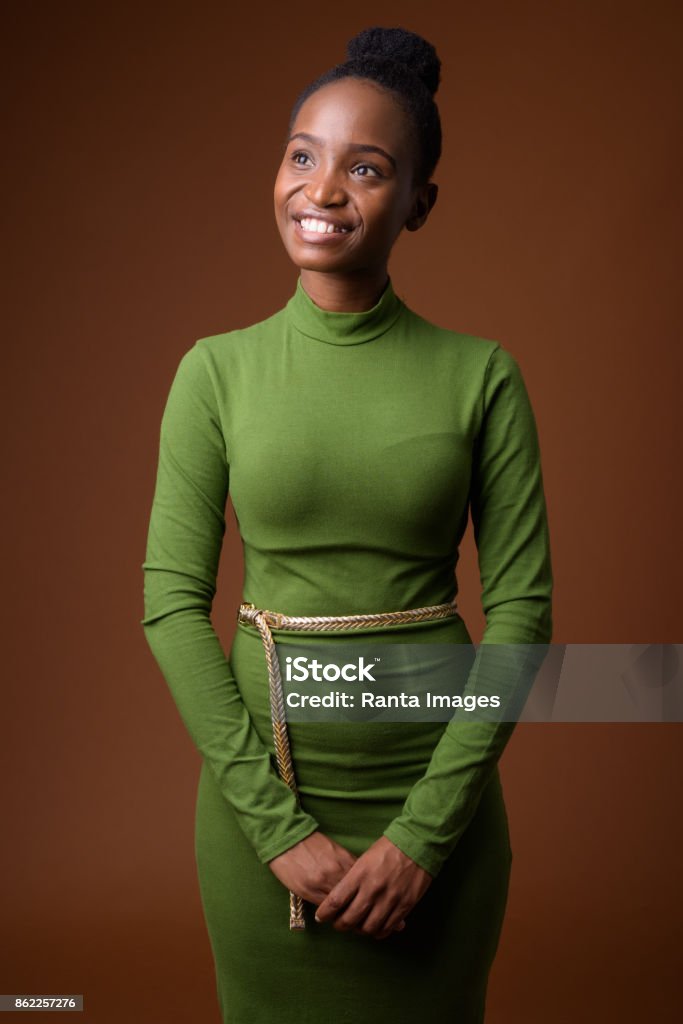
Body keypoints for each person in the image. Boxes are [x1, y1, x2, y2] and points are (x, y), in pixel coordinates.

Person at [140, 24, 553, 1024]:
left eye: (365, 168)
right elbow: (169, 602)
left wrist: (421, 839)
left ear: (418, 201)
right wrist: (276, 828)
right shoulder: (214, 372)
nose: (321, 190)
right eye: (300, 155)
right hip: (261, 819)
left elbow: (522, 618)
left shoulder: (481, 375)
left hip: (436, 814)